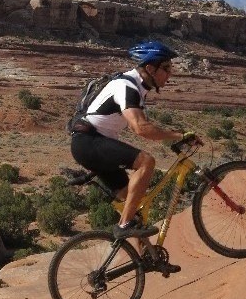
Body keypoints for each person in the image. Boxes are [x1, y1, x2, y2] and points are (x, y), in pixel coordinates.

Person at [70, 41, 197, 271]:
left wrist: (173, 134)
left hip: (92, 143)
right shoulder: (126, 87)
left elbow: (142, 126)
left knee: (133, 202)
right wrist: (178, 134)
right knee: (146, 161)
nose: (170, 74)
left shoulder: (136, 87)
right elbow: (141, 128)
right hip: (89, 143)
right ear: (150, 68)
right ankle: (124, 225)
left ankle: (148, 258)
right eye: (166, 68)